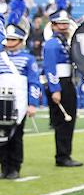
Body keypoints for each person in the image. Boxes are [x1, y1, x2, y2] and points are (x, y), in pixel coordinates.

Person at [0, 15, 51, 180]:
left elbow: (34, 83)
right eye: (8, 39)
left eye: (13, 39)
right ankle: (4, 167)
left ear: (21, 41)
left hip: (18, 103)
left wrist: (33, 104)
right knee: (1, 136)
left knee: (16, 136)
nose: (9, 42)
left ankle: (14, 166)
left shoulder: (28, 59)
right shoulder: (1, 58)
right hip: (1, 102)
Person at [42, 9, 81, 167]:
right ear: (53, 25)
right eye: (60, 24)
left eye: (66, 23)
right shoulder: (52, 43)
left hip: (66, 82)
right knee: (63, 122)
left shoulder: (63, 41)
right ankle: (62, 156)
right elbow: (50, 68)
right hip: (60, 84)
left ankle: (65, 154)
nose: (64, 26)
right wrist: (55, 89)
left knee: (68, 122)